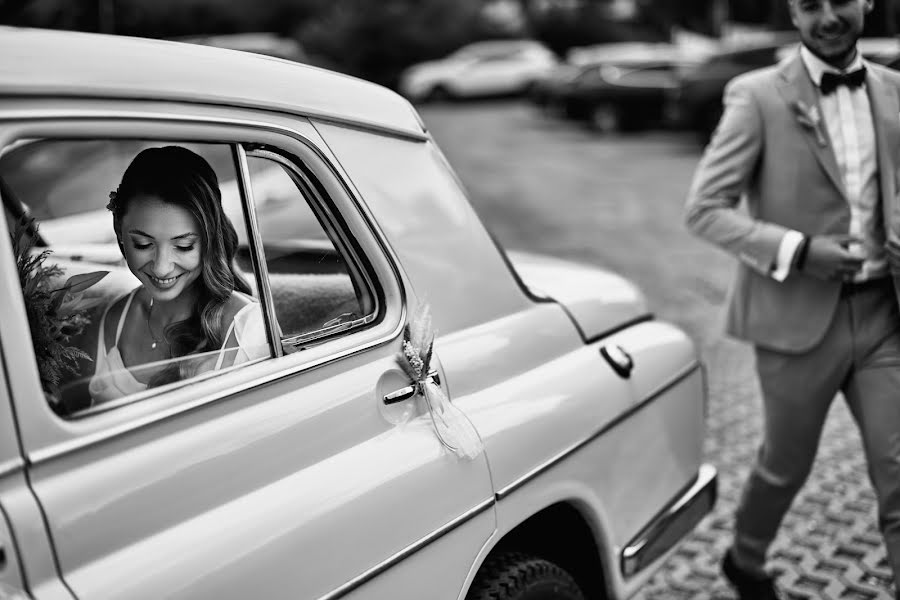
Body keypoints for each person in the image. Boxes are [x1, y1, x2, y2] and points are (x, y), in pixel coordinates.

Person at [684, 1, 900, 598]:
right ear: (792, 10)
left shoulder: (895, 89)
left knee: (899, 473)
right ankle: (744, 559)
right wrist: (801, 250)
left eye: (840, 1)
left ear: (867, 2)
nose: (828, 17)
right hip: (797, 321)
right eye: (810, 4)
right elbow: (704, 211)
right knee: (785, 466)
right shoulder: (755, 95)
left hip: (886, 316)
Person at [88, 146, 268, 405]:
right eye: (142, 244)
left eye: (183, 246)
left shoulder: (247, 329)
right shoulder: (116, 318)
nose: (161, 268)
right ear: (119, 231)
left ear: (208, 240)